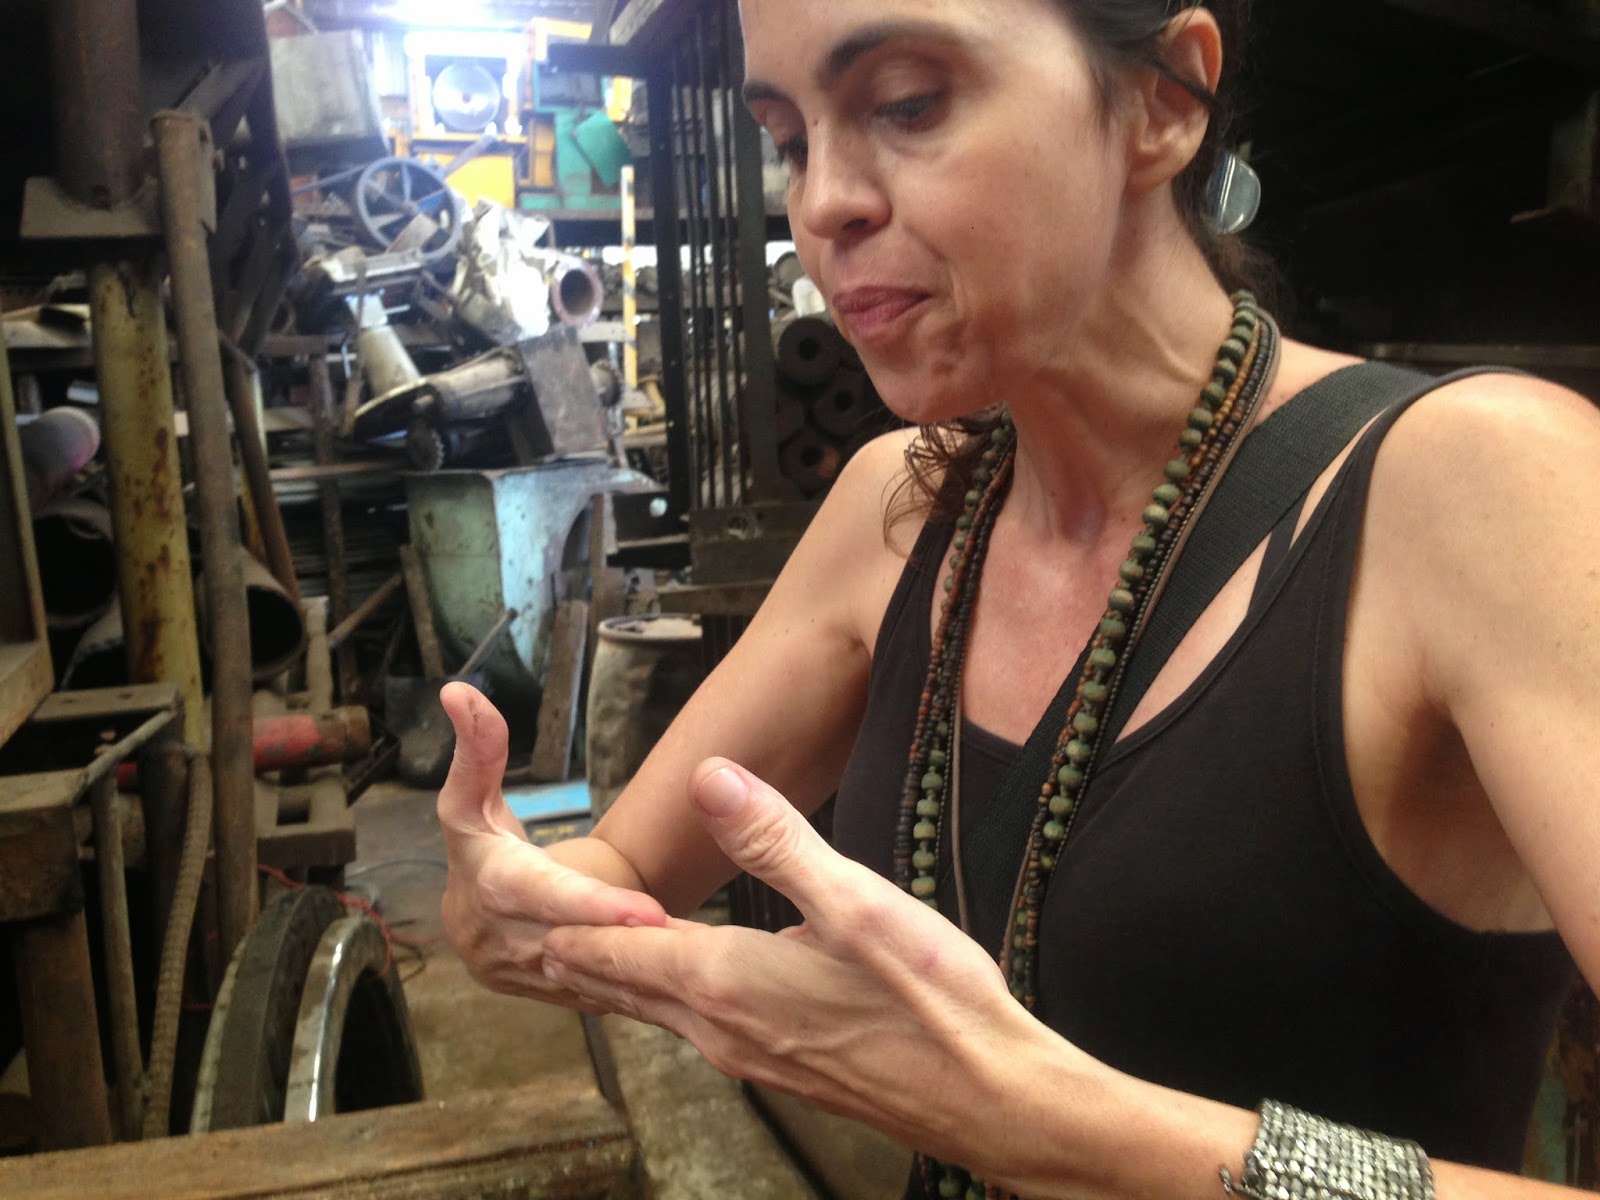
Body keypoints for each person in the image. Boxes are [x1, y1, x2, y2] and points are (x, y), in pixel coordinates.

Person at [435, 1, 1600, 1196]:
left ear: (1162, 99)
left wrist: (1027, 1119)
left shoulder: (1484, 494)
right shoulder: (899, 509)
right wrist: (516, 901)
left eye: (906, 104)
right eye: (788, 140)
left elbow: (1002, 1112)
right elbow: (620, 874)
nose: (822, 203)